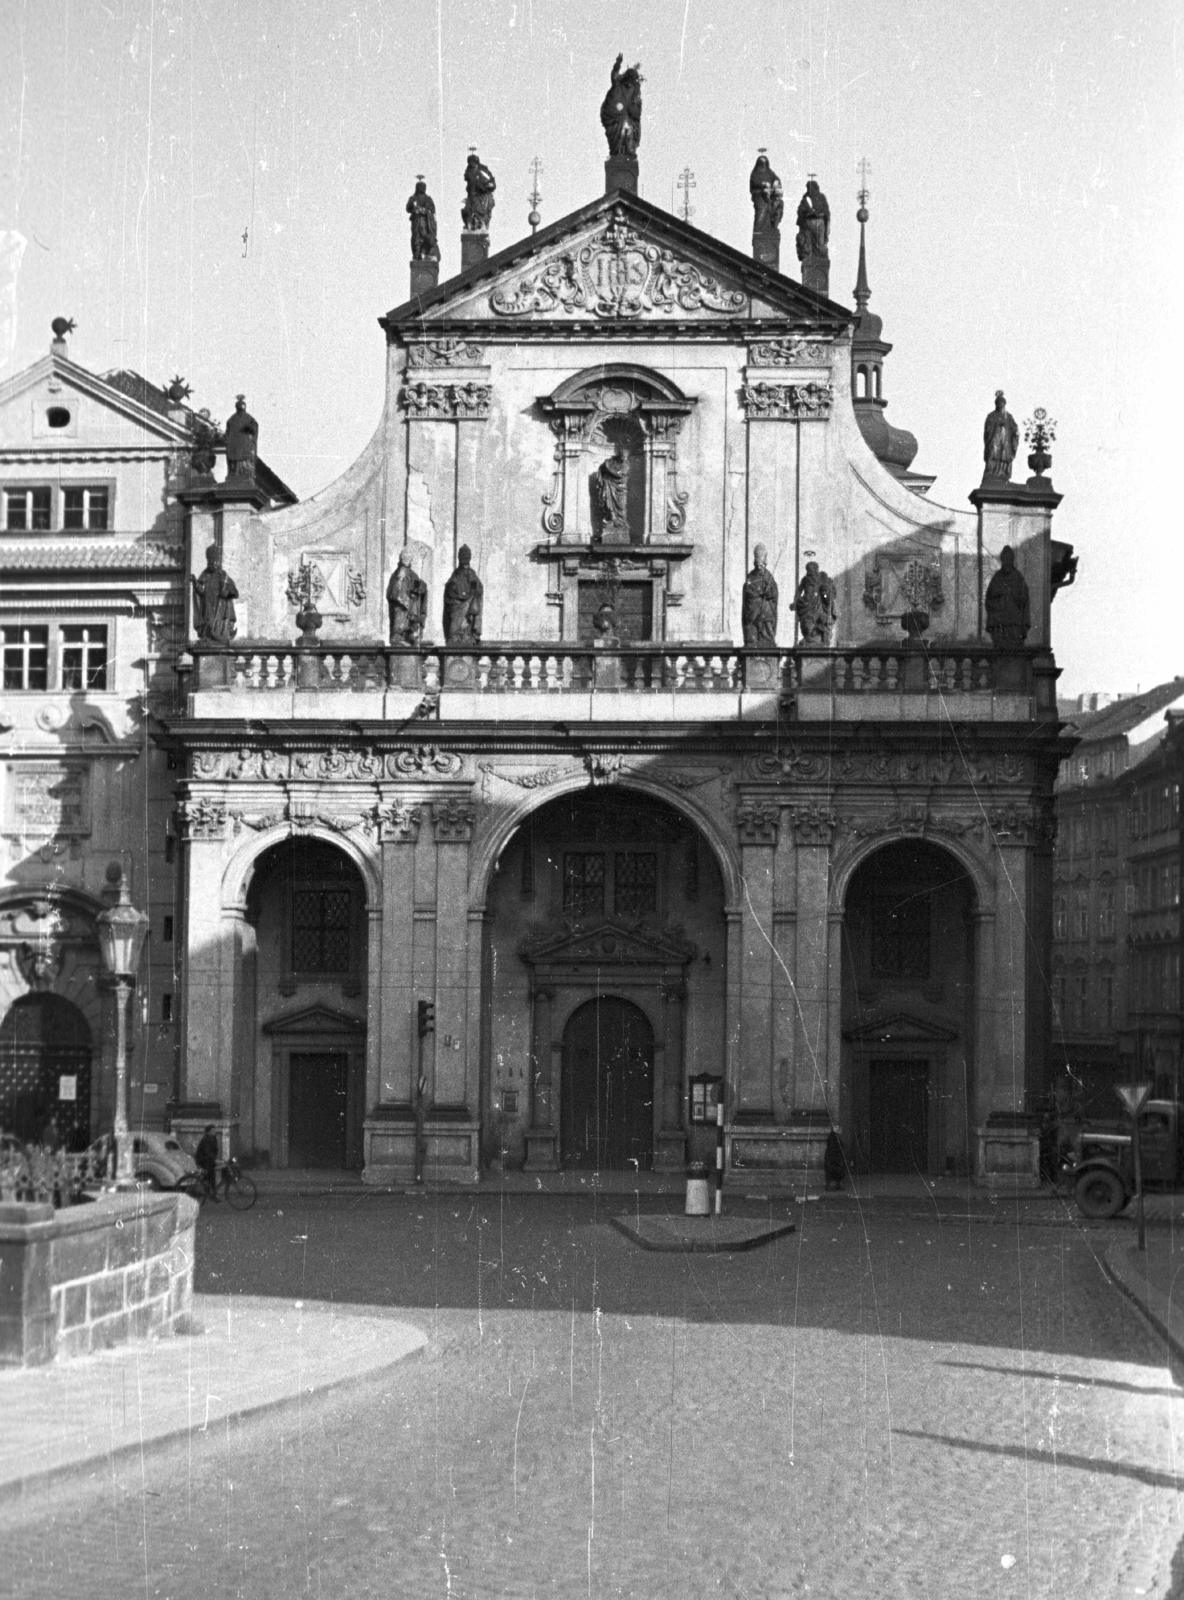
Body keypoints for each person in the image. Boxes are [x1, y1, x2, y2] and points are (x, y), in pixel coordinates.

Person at [984, 544, 1030, 647]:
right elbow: (990, 596)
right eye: (1005, 560)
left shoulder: (1018, 576)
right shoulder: (997, 577)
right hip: (1000, 616)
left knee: (1014, 636)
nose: (1007, 562)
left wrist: (1017, 596)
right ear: (1002, 560)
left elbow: (1024, 595)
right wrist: (999, 592)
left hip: (1014, 617)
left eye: (1009, 559)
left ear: (1012, 560)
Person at [191, 544, 239, 644]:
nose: (211, 564)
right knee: (208, 622)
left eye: (214, 562)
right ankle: (209, 637)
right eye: (209, 562)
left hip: (221, 608)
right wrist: (195, 582)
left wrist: (226, 592)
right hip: (208, 605)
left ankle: (219, 638)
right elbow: (201, 590)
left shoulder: (223, 575)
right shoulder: (205, 574)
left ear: (218, 562)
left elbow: (235, 593)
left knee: (218, 625)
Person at [600, 54, 643, 157]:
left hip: (623, 115)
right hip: (611, 113)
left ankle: (627, 150)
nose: (631, 83)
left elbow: (636, 109)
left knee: (627, 127)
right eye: (630, 79)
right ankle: (617, 151)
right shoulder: (618, 82)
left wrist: (633, 110)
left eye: (633, 81)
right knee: (616, 134)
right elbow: (614, 75)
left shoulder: (634, 91)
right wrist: (617, 64)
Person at [387, 547, 428, 645]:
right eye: (404, 556)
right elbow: (392, 593)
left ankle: (412, 633)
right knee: (400, 616)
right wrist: (402, 598)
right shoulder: (397, 574)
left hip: (411, 604)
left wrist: (421, 588)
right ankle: (398, 635)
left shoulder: (413, 575)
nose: (406, 558)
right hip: (400, 606)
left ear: (411, 559)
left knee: (414, 612)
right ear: (400, 558)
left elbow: (420, 588)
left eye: (408, 556)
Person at [442, 546, 483, 643]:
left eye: (467, 556)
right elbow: (449, 593)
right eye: (463, 556)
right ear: (459, 557)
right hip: (455, 609)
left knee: (472, 607)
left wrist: (474, 589)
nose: (465, 558)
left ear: (470, 558)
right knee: (454, 631)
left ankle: (469, 634)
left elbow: (479, 590)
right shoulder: (455, 575)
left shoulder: (472, 575)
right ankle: (455, 636)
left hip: (468, 610)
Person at [742, 543, 779, 645]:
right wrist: (758, 593)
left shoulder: (768, 577)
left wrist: (768, 592)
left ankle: (767, 637)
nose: (760, 567)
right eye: (758, 564)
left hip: (765, 609)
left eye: (762, 565)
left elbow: (774, 593)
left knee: (767, 611)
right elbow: (748, 592)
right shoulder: (750, 577)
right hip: (753, 610)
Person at [795, 559, 837, 644]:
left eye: (811, 570)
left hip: (818, 604)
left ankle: (819, 637)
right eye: (808, 570)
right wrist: (796, 600)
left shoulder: (821, 578)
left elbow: (827, 591)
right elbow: (799, 590)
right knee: (806, 624)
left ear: (815, 569)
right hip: (807, 604)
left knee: (820, 621)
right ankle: (809, 637)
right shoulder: (805, 579)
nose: (809, 572)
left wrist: (825, 595)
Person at [594, 446, 630, 542]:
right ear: (619, 455)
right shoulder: (610, 462)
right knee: (608, 506)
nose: (623, 459)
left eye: (625, 457)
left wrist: (609, 469)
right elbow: (602, 469)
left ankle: (621, 523)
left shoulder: (626, 464)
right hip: (609, 486)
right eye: (622, 457)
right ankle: (611, 520)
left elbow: (621, 475)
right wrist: (606, 468)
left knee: (622, 507)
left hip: (621, 488)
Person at [982, 390, 1019, 481]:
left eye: (1001, 402)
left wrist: (1014, 432)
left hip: (1005, 441)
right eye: (998, 402)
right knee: (992, 455)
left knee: (1004, 457)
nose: (999, 404)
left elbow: (1015, 428)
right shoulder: (991, 416)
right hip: (994, 440)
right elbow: (987, 430)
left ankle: (1003, 474)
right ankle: (990, 473)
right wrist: (995, 427)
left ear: (1004, 403)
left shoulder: (1009, 416)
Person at [224, 395, 258, 481]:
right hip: (234, 443)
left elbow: (254, 429)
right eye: (238, 405)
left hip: (244, 442)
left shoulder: (249, 418)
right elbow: (228, 431)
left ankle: (243, 472)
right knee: (234, 457)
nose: (240, 407)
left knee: (244, 458)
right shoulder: (232, 419)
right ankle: (234, 472)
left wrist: (250, 428)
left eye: (241, 405)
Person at [461, 153, 496, 232]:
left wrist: (483, 187)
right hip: (472, 197)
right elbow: (469, 184)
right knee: (468, 212)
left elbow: (492, 184)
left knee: (477, 210)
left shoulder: (483, 171)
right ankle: (473, 226)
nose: (471, 165)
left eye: (472, 164)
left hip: (483, 197)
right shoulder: (469, 171)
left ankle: (479, 225)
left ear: (476, 163)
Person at [406, 179, 440, 261]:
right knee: (416, 239)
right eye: (421, 187)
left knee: (425, 238)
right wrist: (414, 209)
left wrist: (425, 210)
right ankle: (417, 255)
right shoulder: (413, 198)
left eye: (424, 187)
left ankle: (426, 253)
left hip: (425, 223)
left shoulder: (428, 199)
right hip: (416, 222)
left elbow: (432, 209)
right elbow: (408, 208)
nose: (423, 188)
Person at [195, 1125, 220, 1202]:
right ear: (208, 1132)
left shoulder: (213, 1138)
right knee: (211, 1177)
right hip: (204, 1160)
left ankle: (210, 1193)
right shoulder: (206, 1139)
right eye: (212, 1131)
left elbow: (214, 1150)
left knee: (210, 1177)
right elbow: (207, 1152)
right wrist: (215, 1160)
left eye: (214, 1130)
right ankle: (213, 1195)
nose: (214, 1132)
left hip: (209, 1160)